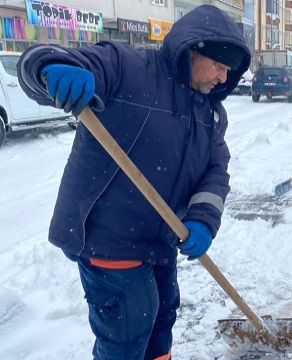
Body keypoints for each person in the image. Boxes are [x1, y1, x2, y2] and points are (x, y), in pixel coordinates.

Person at [17, 5, 250, 359]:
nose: (222, 77)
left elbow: (216, 170)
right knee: (127, 332)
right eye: (218, 65)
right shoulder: (129, 67)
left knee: (162, 319)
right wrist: (48, 68)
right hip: (109, 237)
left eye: (228, 71)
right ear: (193, 49)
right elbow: (40, 59)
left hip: (161, 239)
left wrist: (202, 220)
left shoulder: (211, 114)